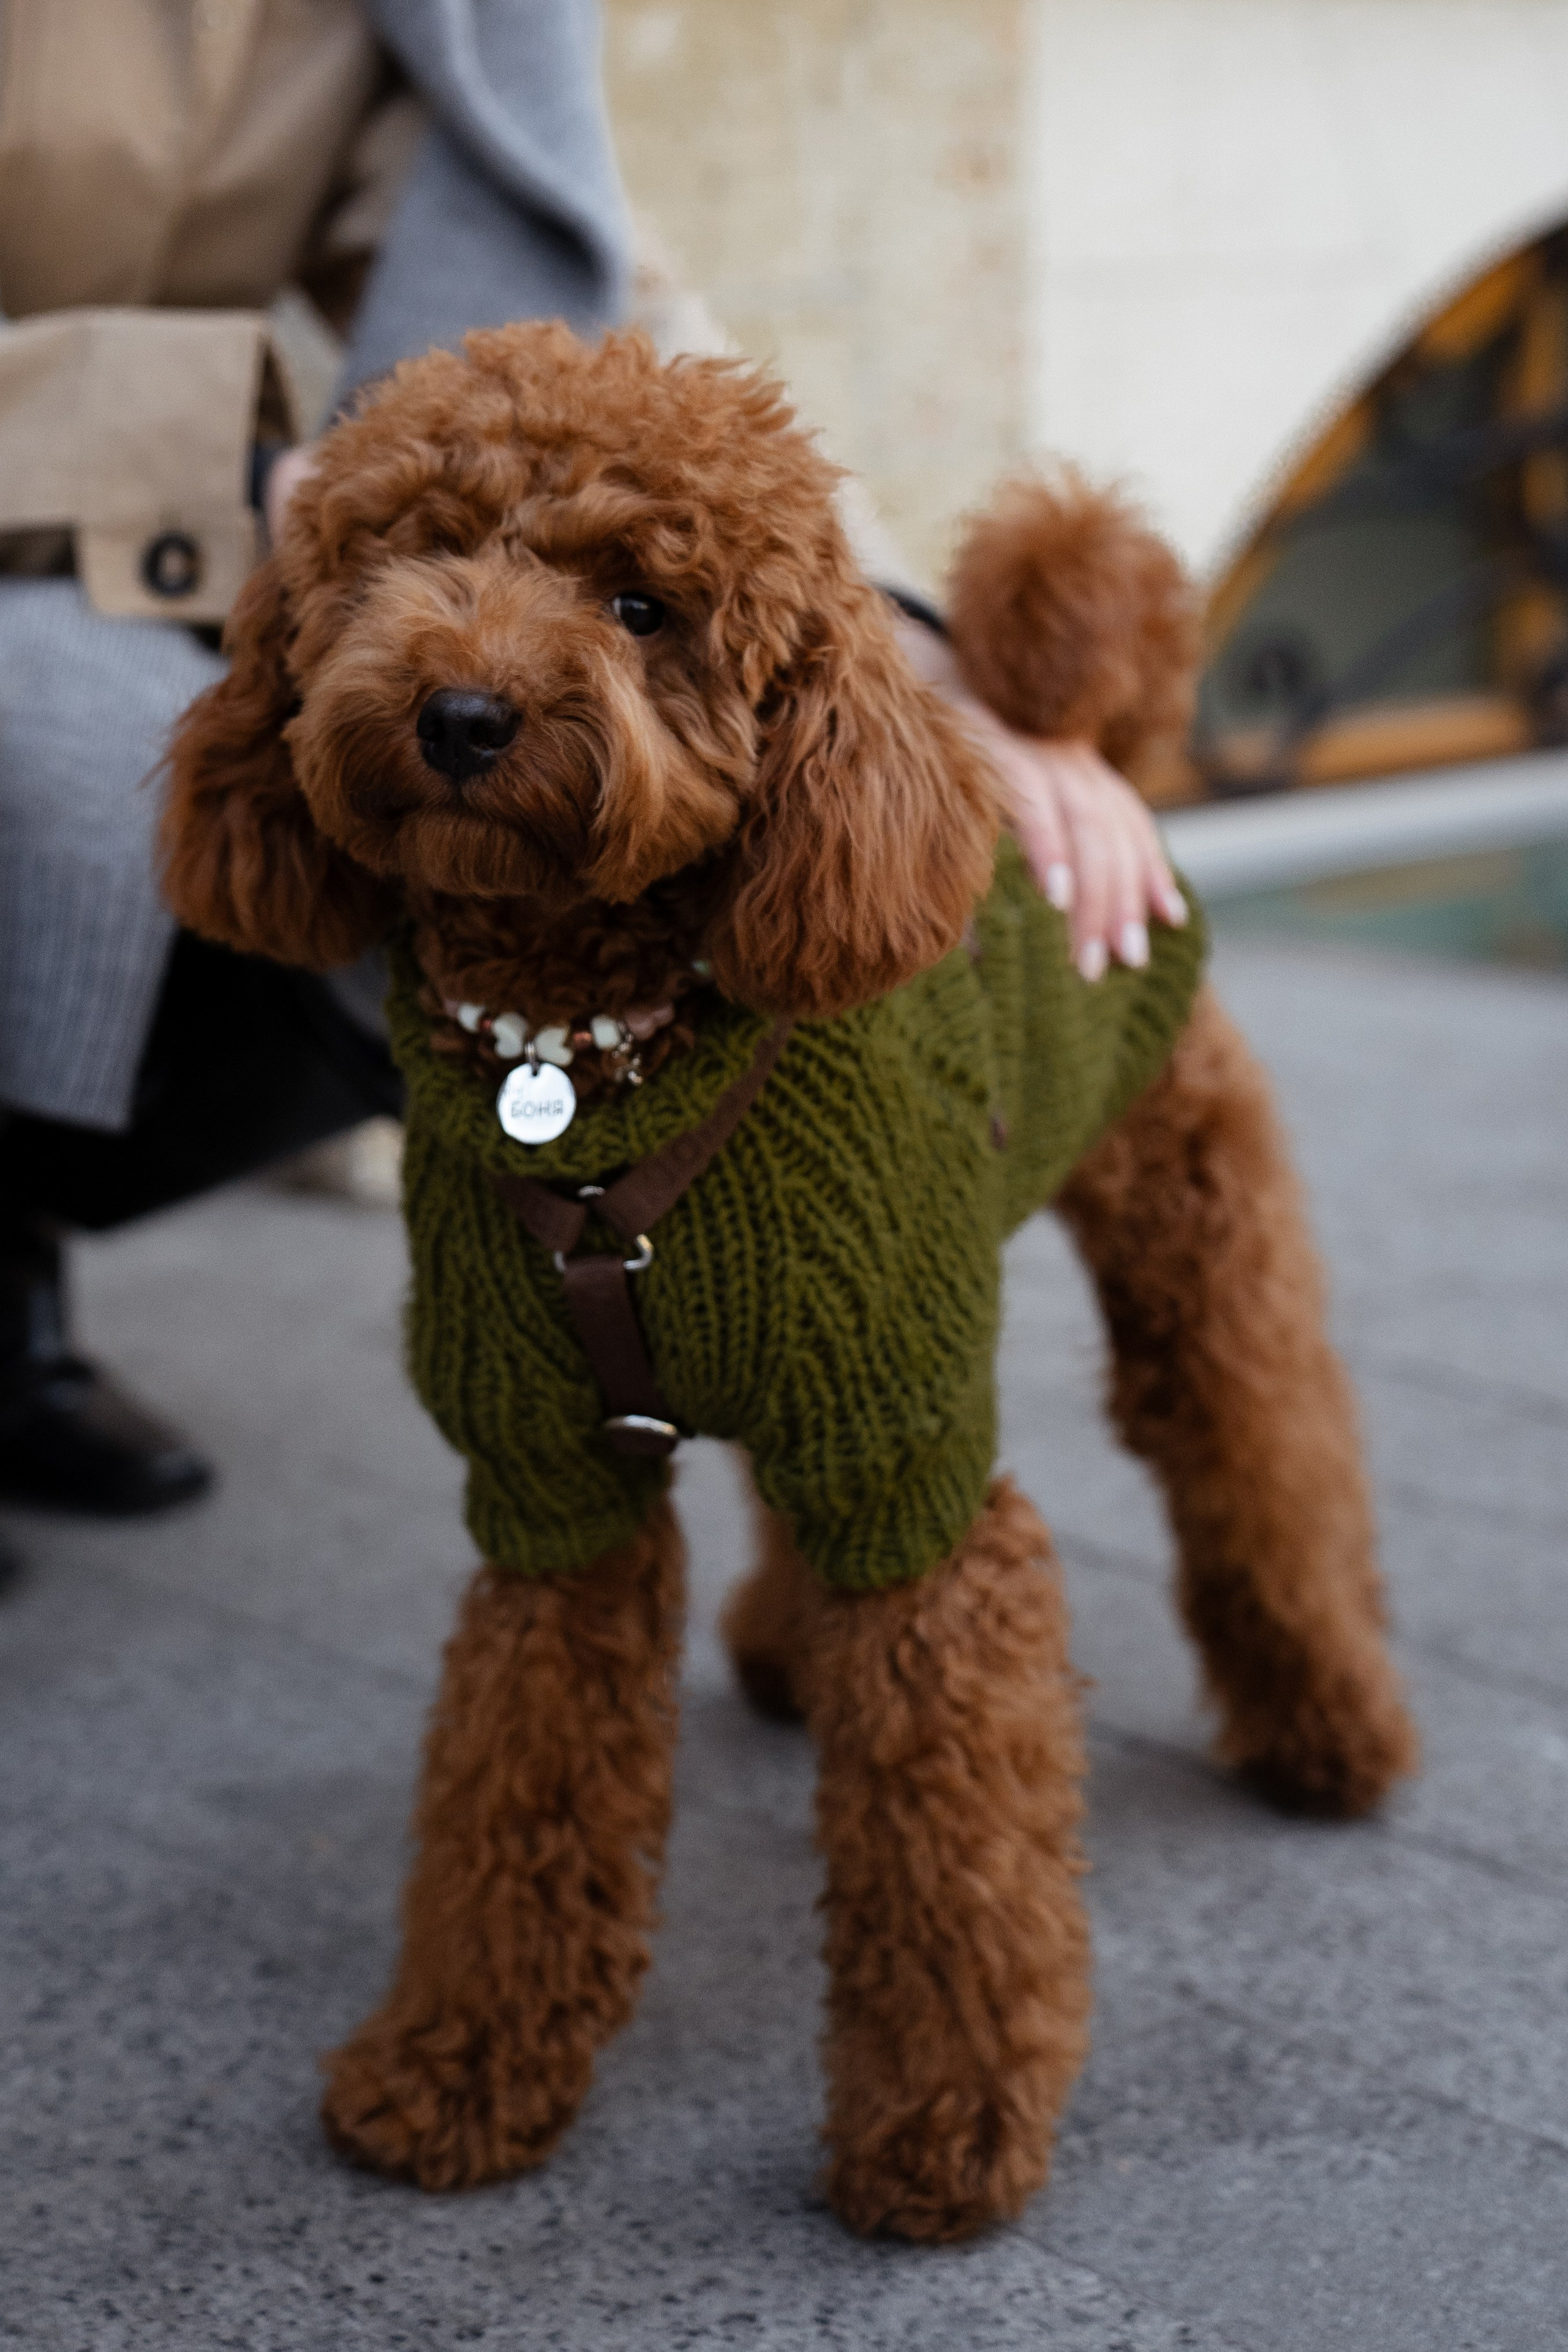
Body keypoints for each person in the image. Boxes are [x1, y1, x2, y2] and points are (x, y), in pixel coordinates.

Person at [0, 0, 1181, 1545]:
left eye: (624, 613)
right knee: (127, 793)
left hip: (201, 516)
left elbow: (580, 265)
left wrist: (909, 642)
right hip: (116, 490)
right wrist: (224, 465)